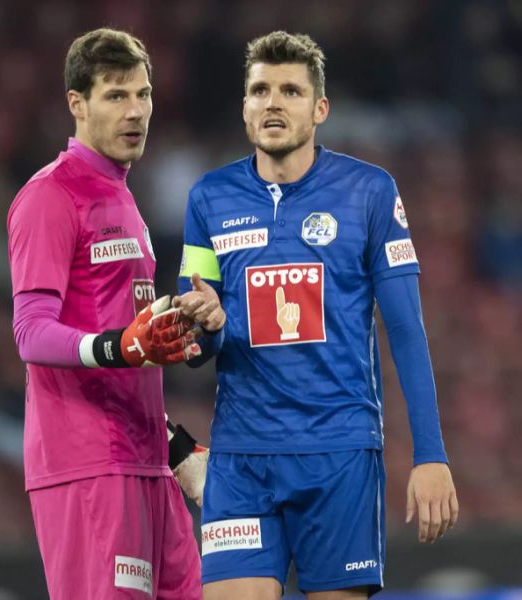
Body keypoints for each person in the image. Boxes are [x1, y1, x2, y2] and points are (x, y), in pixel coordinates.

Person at [173, 31, 460, 599]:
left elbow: (404, 329)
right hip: (241, 457)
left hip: (339, 455)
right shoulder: (208, 198)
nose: (273, 102)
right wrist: (203, 326)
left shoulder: (370, 192)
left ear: (319, 107)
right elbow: (197, 345)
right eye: (260, 90)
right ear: (244, 106)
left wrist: (430, 454)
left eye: (290, 90)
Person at [6, 28, 206, 599]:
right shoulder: (50, 195)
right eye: (116, 95)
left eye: (143, 95)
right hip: (88, 466)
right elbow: (31, 333)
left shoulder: (122, 197)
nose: (136, 111)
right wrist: (120, 345)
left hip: (148, 464)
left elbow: (133, 347)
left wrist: (178, 450)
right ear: (77, 103)